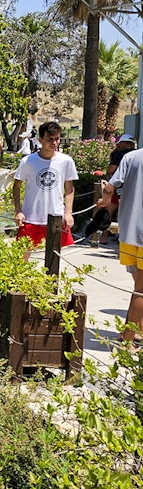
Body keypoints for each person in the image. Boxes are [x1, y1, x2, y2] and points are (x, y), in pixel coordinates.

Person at [101, 145, 143, 349]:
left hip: (129, 233)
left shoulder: (132, 157)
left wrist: (104, 200)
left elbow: (110, 187)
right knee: (142, 290)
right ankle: (128, 340)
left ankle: (136, 332)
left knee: (138, 284)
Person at [11, 121, 77, 248]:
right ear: (40, 140)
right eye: (50, 139)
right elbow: (17, 186)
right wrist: (18, 211)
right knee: (21, 255)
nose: (54, 143)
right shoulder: (27, 161)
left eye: (57, 139)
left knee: (57, 256)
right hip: (30, 217)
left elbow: (69, 188)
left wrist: (68, 213)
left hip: (57, 216)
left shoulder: (66, 161)